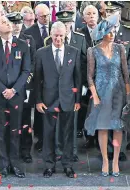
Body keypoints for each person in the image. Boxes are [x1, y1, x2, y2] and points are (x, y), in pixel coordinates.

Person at [85, 15, 130, 177]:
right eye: (108, 32)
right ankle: (105, 160)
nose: (112, 34)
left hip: (118, 93)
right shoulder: (93, 51)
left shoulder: (120, 49)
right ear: (102, 33)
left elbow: (126, 74)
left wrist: (128, 94)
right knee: (103, 126)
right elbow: (89, 76)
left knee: (118, 127)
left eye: (113, 31)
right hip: (101, 93)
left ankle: (116, 161)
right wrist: (95, 96)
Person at [0, 15, 30, 178]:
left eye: (8, 22)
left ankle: (15, 164)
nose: (8, 24)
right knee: (0, 130)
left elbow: (26, 71)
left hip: (16, 95)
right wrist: (3, 89)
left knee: (15, 130)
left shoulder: (23, 45)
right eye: (4, 23)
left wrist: (14, 90)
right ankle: (4, 164)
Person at [35, 21, 81, 178]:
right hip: (48, 100)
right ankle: (49, 165)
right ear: (51, 35)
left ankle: (67, 165)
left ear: (65, 36)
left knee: (67, 134)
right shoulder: (41, 53)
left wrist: (77, 100)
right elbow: (37, 80)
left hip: (68, 100)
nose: (58, 39)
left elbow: (77, 78)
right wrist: (38, 100)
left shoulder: (73, 52)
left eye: (61, 36)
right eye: (56, 35)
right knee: (48, 134)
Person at [44, 10, 86, 162]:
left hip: (69, 92)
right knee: (52, 128)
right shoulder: (47, 45)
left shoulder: (78, 41)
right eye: (56, 35)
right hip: (51, 93)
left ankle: (70, 154)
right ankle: (55, 154)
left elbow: (81, 68)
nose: (59, 37)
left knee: (70, 126)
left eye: (68, 23)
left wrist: (79, 94)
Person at [105, 1, 130, 161]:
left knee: (122, 114)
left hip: (123, 80)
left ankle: (120, 148)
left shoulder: (128, 32)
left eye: (113, 12)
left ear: (119, 13)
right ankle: (109, 147)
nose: (110, 15)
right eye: (108, 12)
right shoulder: (101, 31)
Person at [7, 12, 36, 163]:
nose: (16, 25)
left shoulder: (29, 40)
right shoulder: (4, 40)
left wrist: (25, 80)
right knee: (10, 119)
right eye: (13, 23)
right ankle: (12, 149)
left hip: (25, 86)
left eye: (19, 22)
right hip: (9, 87)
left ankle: (25, 150)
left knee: (25, 119)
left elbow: (32, 63)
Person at [24, 3, 51, 152]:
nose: (45, 18)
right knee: (37, 107)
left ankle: (47, 138)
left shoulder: (54, 28)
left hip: (51, 75)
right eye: (42, 16)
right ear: (36, 16)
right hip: (35, 75)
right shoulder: (29, 32)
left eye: (47, 15)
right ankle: (38, 137)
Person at [78, 5, 99, 149]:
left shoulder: (105, 32)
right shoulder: (79, 34)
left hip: (102, 79)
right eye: (88, 14)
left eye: (94, 13)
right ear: (83, 18)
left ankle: (100, 138)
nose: (91, 16)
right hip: (86, 79)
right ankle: (89, 137)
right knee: (86, 110)